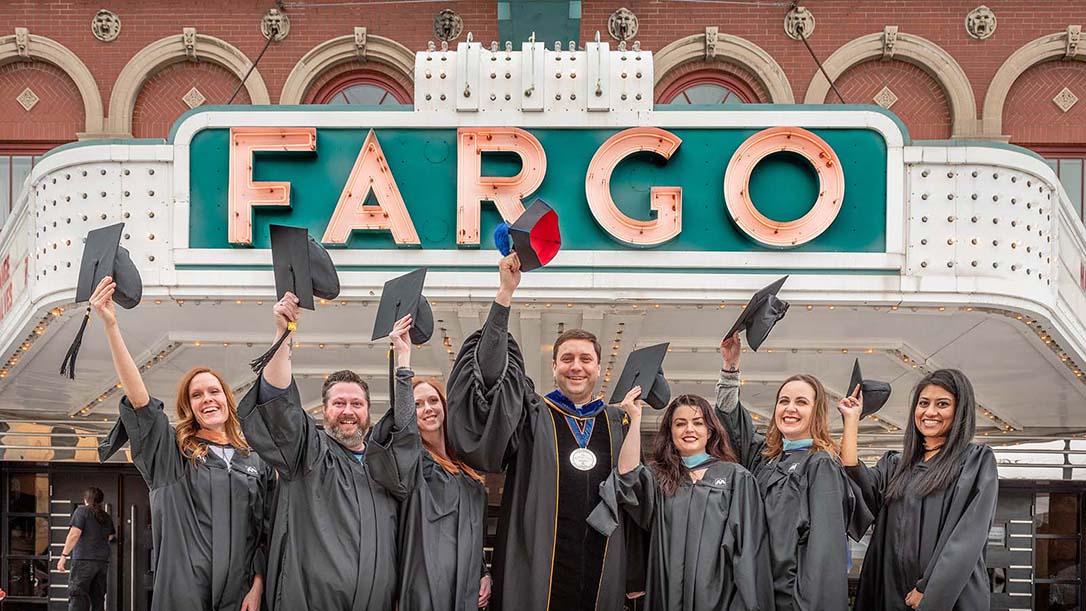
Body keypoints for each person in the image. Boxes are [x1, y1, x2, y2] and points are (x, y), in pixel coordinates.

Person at [445, 253, 647, 611]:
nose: (576, 367)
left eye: (585, 359)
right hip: (534, 573)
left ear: (599, 368)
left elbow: (634, 498)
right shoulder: (531, 412)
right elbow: (490, 377)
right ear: (553, 367)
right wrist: (504, 295)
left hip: (600, 574)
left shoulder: (616, 422)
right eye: (567, 359)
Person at [92, 277, 275, 611]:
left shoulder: (255, 462)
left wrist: (257, 587)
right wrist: (112, 326)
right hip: (183, 594)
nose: (207, 399)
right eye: (196, 395)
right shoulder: (173, 457)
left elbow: (264, 532)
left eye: (214, 391)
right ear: (188, 408)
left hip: (239, 596)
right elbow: (140, 402)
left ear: (227, 400)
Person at [238, 291, 403, 610]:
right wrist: (283, 333)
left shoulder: (384, 467)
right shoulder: (307, 453)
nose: (348, 411)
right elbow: (278, 402)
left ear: (369, 411)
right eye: (338, 403)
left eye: (356, 403)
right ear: (324, 411)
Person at [715, 334, 867, 610]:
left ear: (816, 411)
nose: (790, 408)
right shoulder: (767, 460)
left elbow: (824, 553)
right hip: (757, 592)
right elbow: (732, 426)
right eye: (784, 401)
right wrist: (730, 368)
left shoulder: (820, 464)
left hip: (792, 600)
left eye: (801, 402)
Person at [589, 388, 773, 610]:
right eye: (680, 423)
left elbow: (750, 550)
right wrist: (636, 418)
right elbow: (627, 476)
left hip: (721, 599)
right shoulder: (659, 479)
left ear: (711, 430)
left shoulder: (736, 478)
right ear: (670, 432)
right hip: (667, 595)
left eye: (698, 422)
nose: (689, 429)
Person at [839, 368, 998, 610]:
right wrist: (851, 420)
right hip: (891, 593)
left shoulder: (975, 462)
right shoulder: (897, 465)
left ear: (960, 410)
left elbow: (967, 537)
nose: (930, 412)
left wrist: (929, 588)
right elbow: (860, 484)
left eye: (942, 404)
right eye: (924, 403)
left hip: (946, 598)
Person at [367, 314, 492, 610]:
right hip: (423, 589)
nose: (427, 409)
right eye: (419, 403)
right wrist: (403, 360)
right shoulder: (415, 465)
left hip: (465, 590)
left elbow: (476, 536)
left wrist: (485, 573)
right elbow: (404, 430)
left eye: (433, 401)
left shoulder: (468, 470)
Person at [57, 487, 115, 611]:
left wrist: (63, 556)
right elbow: (110, 536)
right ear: (100, 500)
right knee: (98, 598)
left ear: (85, 499)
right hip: (102, 562)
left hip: (83, 560)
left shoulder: (81, 511)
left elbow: (74, 534)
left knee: (78, 596)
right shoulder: (106, 516)